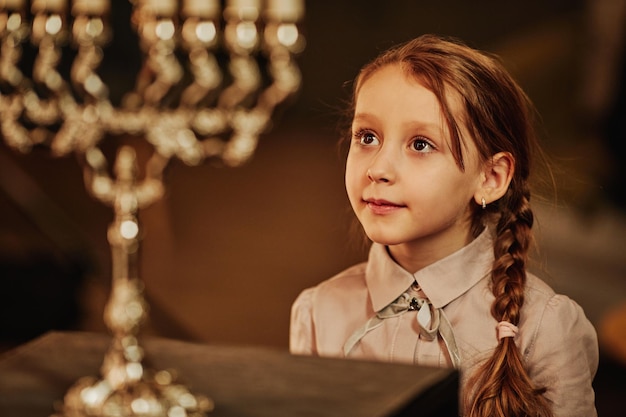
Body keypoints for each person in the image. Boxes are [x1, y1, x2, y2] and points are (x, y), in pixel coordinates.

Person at [289, 34, 598, 417]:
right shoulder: (318, 313)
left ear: (491, 177)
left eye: (420, 144)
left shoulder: (546, 327)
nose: (378, 169)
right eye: (367, 137)